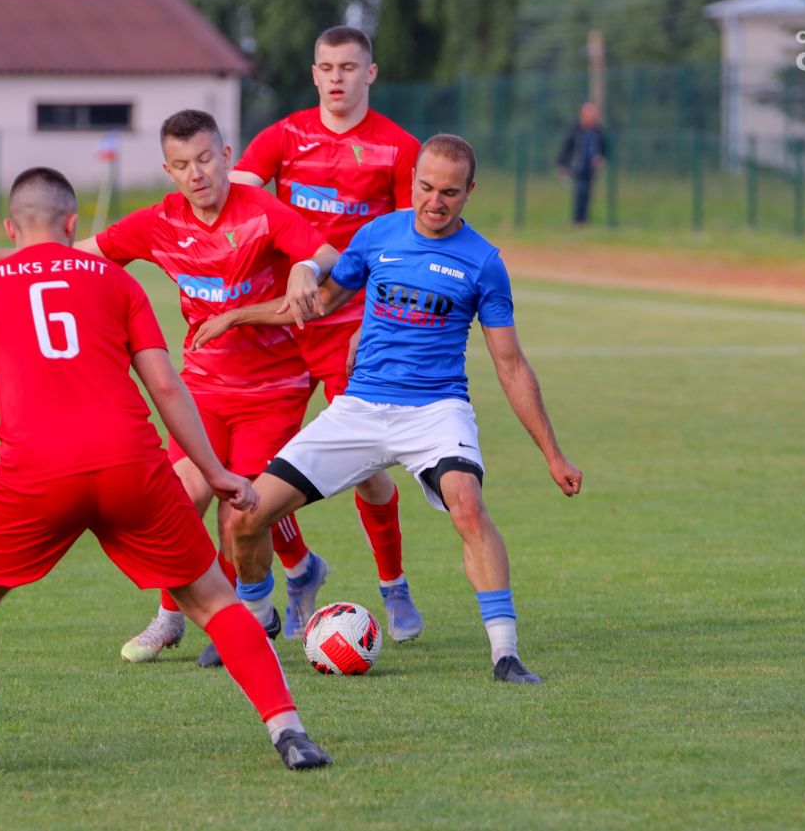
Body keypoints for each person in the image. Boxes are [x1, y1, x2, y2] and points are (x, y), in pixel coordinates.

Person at [0, 166, 331, 773]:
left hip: (36, 472)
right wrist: (213, 470)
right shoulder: (116, 281)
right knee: (214, 600)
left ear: (10, 230)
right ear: (72, 224)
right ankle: (290, 733)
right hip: (130, 464)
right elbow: (166, 386)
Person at [0, 111, 339, 668]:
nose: (196, 173)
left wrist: (306, 269)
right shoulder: (159, 222)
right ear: (168, 171)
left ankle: (253, 615)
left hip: (272, 388)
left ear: (226, 157)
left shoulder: (262, 212)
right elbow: (69, 255)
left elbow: (326, 254)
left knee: (239, 516)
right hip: (203, 384)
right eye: (182, 164)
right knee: (180, 499)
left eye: (205, 159)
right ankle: (173, 615)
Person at [208, 135, 583, 684]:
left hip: (436, 410)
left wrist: (553, 454)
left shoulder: (483, 263)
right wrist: (237, 316)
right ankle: (259, 620)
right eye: (426, 187)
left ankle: (505, 655)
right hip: (360, 408)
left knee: (468, 505)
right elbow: (319, 304)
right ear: (412, 182)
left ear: (470, 191)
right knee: (246, 517)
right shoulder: (377, 235)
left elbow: (511, 365)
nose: (435, 201)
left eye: (449, 192)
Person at [222, 25, 425, 643]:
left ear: (371, 73)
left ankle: (393, 584)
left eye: (349, 67)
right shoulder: (283, 137)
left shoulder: (397, 148)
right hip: (283, 327)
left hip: (351, 329)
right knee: (259, 472)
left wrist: (374, 324)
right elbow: (235, 202)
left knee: (367, 467)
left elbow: (405, 248)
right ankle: (299, 567)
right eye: (327, 67)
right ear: (314, 74)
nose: (337, 78)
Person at [556, 101, 607, 226]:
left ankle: (584, 219)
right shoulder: (575, 129)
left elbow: (604, 147)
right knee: (580, 191)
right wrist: (562, 164)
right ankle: (577, 219)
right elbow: (566, 147)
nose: (591, 116)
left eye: (593, 114)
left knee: (588, 193)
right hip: (577, 165)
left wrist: (601, 157)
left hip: (591, 167)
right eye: (588, 113)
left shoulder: (598, 130)